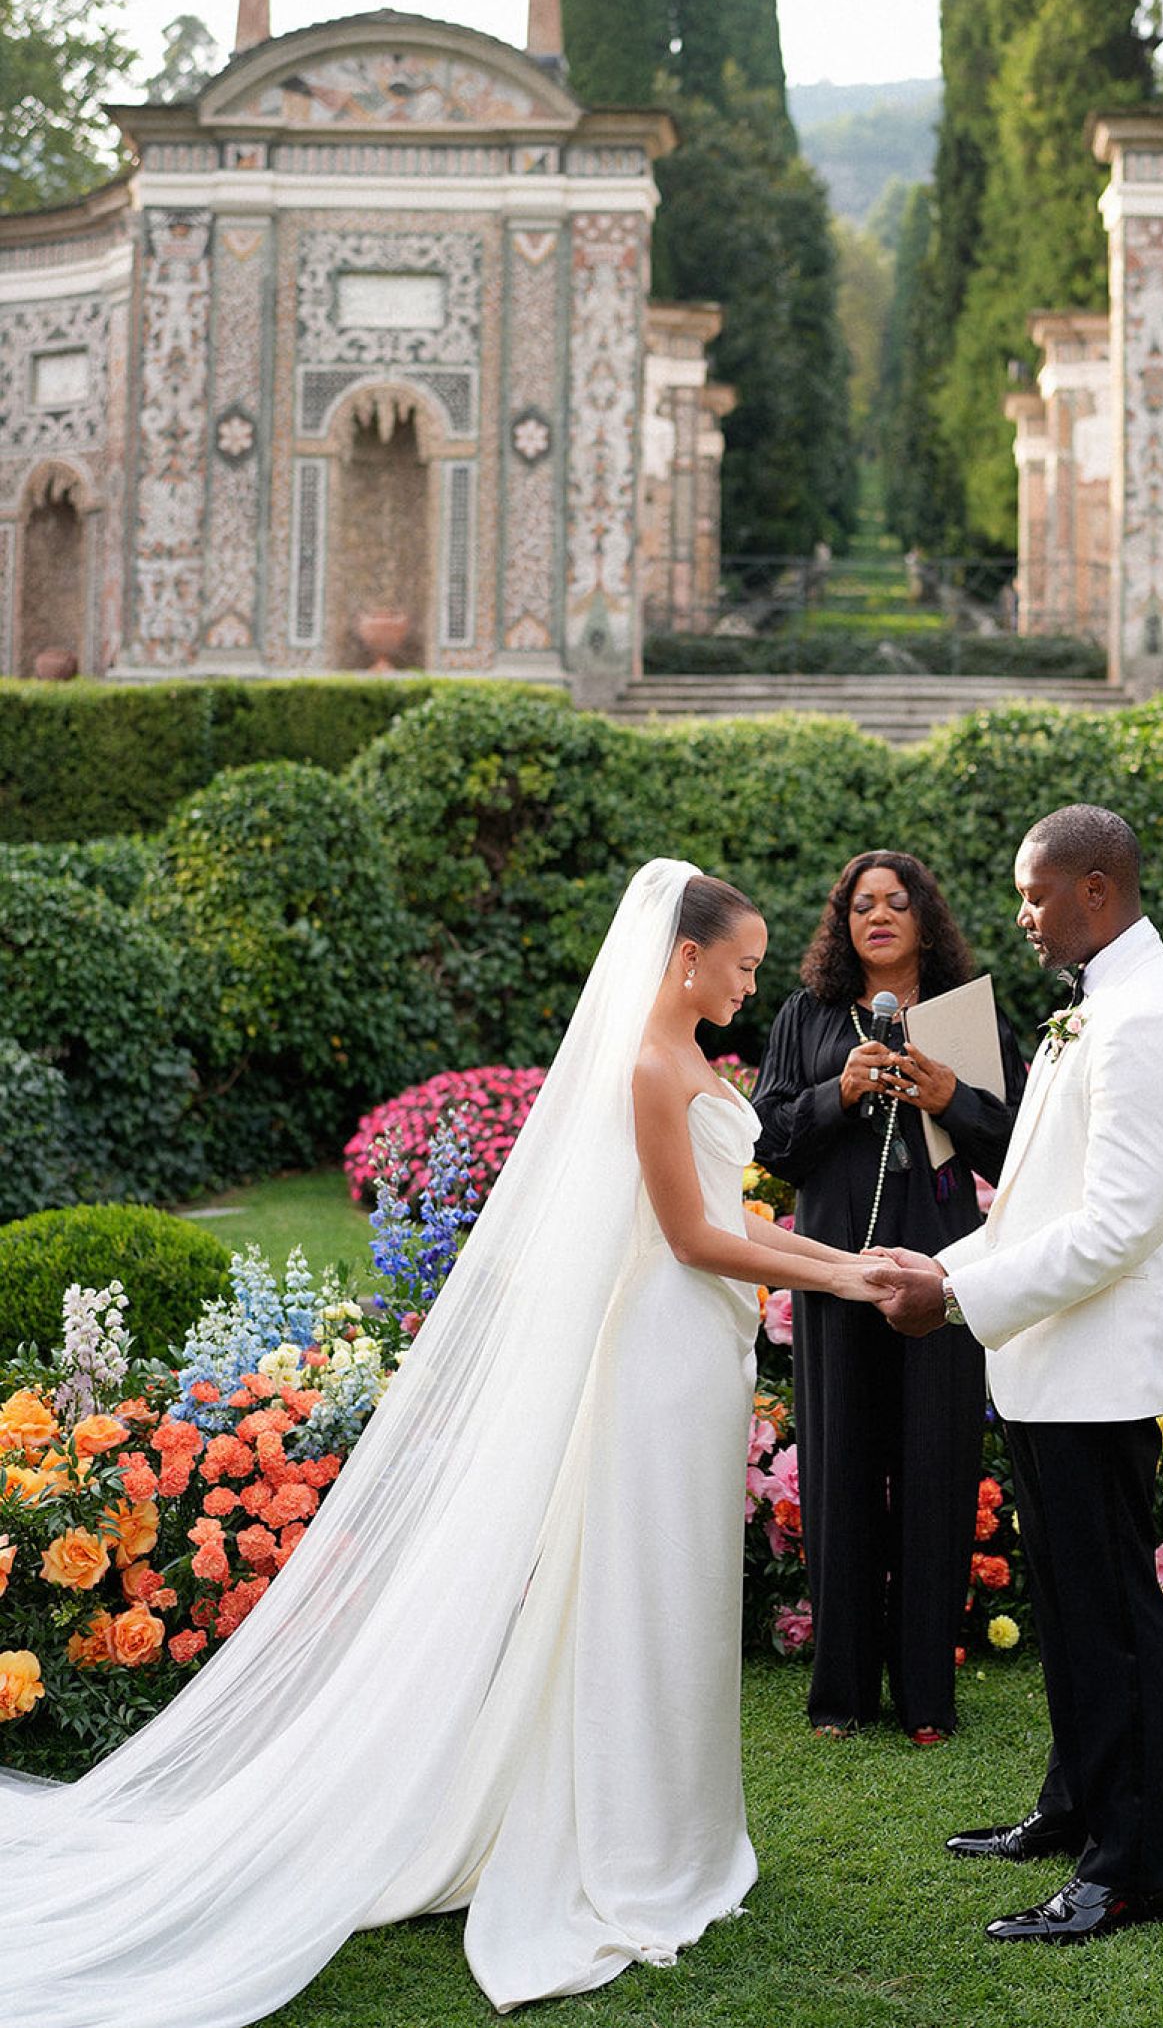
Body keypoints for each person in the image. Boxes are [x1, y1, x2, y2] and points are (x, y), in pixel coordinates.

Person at [0, 860, 886, 2027]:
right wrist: (848, 1272)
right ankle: (629, 1845)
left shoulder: (696, 1062)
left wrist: (844, 1269)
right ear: (686, 958)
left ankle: (681, 1829)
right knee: (644, 1589)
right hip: (663, 1354)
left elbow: (730, 1219)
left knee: (682, 1592)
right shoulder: (647, 1065)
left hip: (702, 1357)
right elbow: (689, 1238)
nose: (753, 976)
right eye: (745, 958)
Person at [872, 806, 1163, 1946]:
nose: (1020, 914)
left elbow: (1117, 1225)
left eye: (1036, 893)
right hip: (1050, 1363)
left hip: (1097, 1373)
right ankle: (1075, 1808)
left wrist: (958, 1296)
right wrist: (942, 1265)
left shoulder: (1148, 1018)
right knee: (1071, 1612)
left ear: (1098, 889)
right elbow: (1042, 1205)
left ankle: (1127, 1869)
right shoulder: (1102, 1006)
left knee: (1114, 1621)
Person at [753, 851, 1027, 1742]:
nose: (878, 916)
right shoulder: (807, 1017)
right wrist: (840, 1091)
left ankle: (925, 1697)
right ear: (843, 923)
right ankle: (840, 1695)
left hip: (942, 1274)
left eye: (896, 903)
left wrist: (950, 1098)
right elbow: (770, 1146)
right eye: (861, 905)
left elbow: (1022, 1153)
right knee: (838, 1472)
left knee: (935, 1471)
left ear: (924, 921)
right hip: (834, 1269)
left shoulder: (967, 1019)